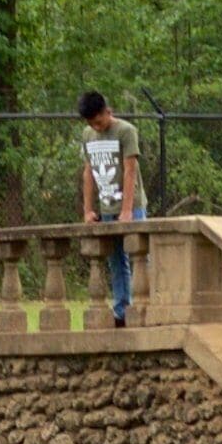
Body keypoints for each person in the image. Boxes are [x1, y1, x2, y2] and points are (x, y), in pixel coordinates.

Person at [77, 91, 147, 325]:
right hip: (106, 207)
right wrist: (88, 210)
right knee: (116, 261)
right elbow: (88, 172)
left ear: (107, 111)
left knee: (139, 258)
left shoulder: (126, 131)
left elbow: (130, 171)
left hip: (131, 206)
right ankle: (121, 312)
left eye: (98, 121)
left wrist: (127, 210)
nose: (96, 127)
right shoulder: (88, 135)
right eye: (91, 123)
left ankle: (145, 308)